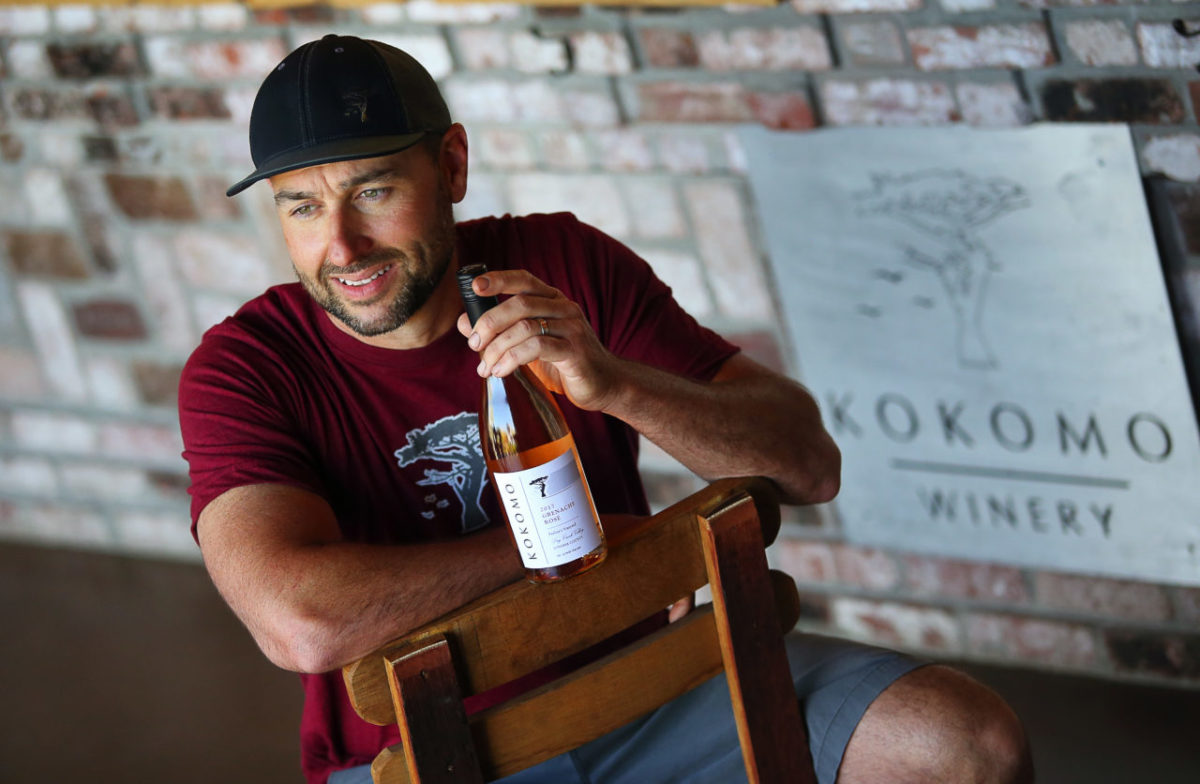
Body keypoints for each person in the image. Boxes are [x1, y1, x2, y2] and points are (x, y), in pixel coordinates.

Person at [179, 34, 1033, 784]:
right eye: (301, 205)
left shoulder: (561, 263)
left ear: (451, 167)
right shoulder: (245, 367)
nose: (341, 246)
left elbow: (808, 467)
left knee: (962, 744)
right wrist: (583, 540)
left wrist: (615, 382)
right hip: (419, 755)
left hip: (658, 693)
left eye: (371, 192)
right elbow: (301, 624)